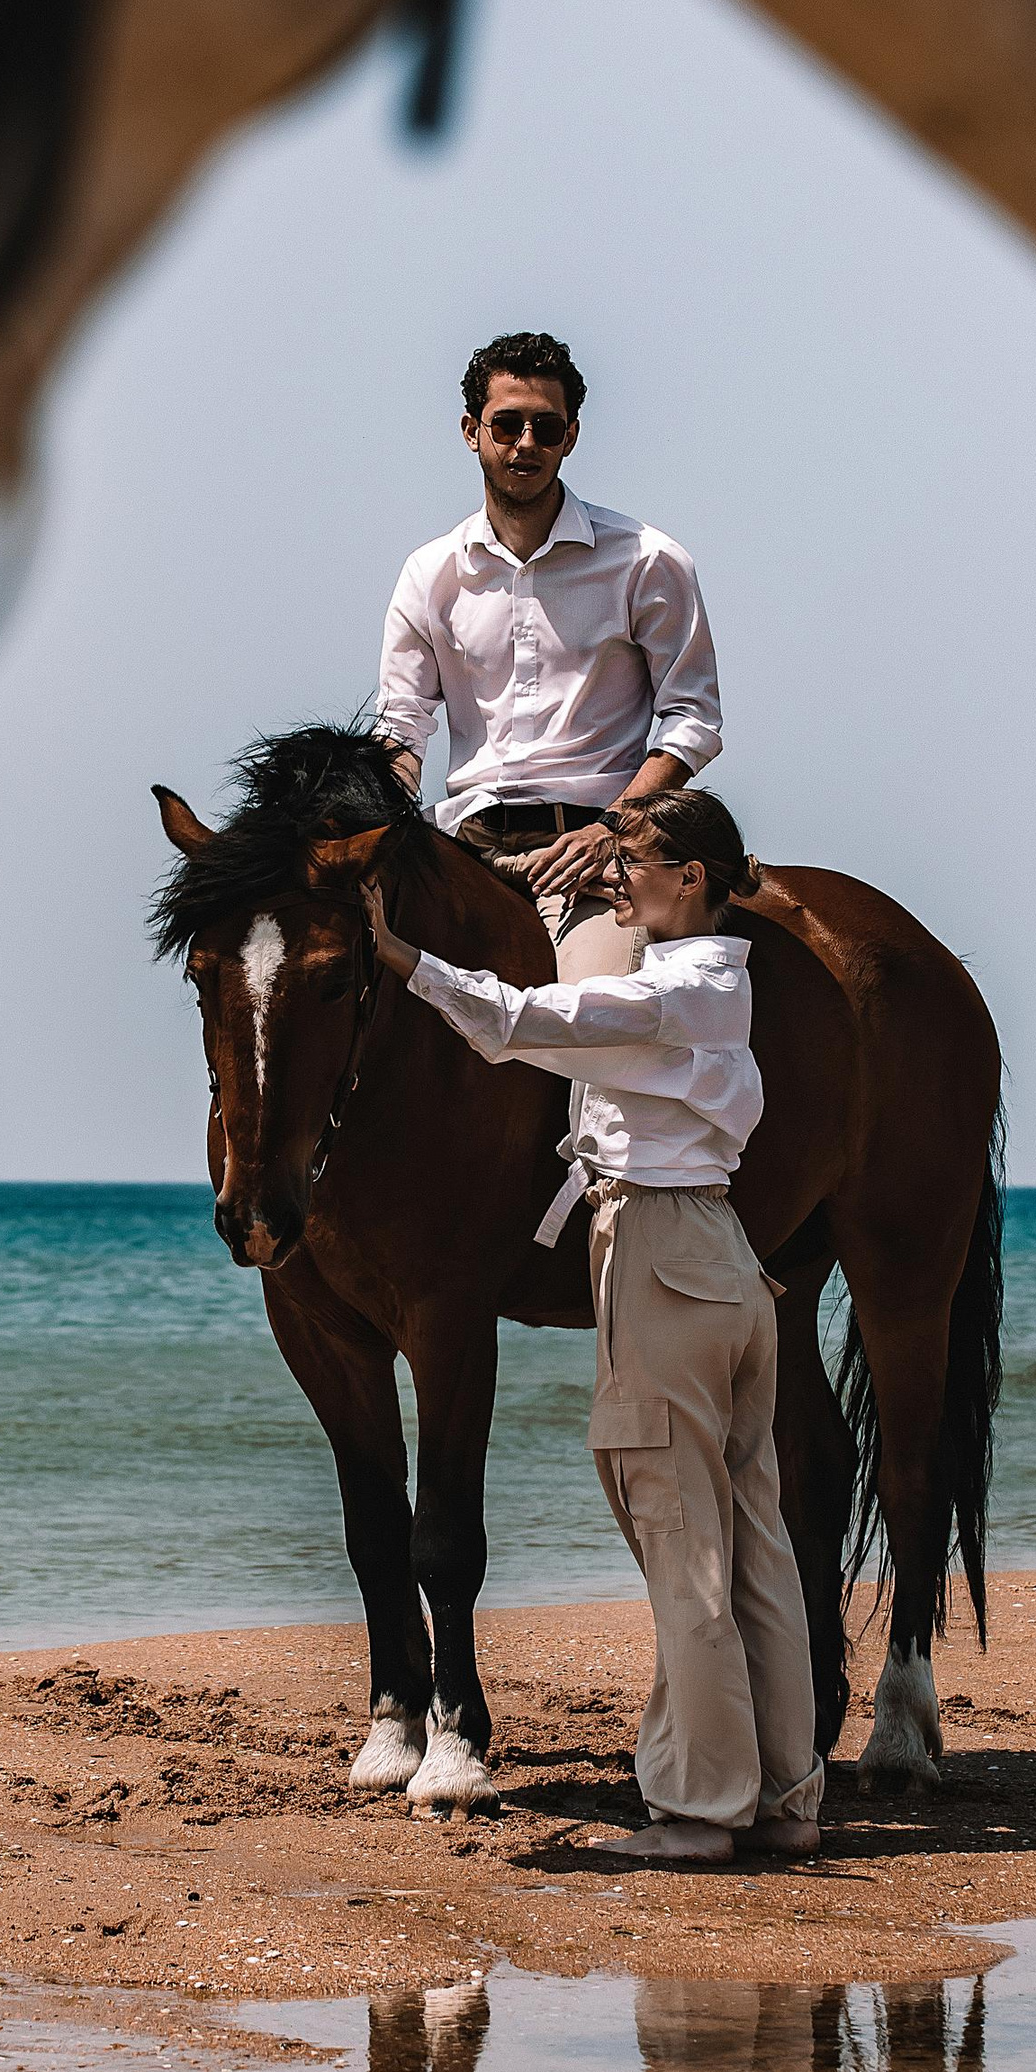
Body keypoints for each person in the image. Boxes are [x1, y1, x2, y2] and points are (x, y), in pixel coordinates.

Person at [360, 791, 823, 1867]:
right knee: (752, 1543)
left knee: (681, 1542)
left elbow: (519, 1021)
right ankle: (785, 1795)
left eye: (634, 863)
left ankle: (700, 1810)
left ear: (692, 878)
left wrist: (399, 957)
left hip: (660, 1254)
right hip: (717, 1257)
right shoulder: (714, 983)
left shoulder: (670, 992)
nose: (615, 879)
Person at [377, 330, 722, 978]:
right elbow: (401, 728)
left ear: (572, 436)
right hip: (462, 847)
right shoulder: (429, 573)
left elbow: (693, 720)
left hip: (596, 858)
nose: (526, 443)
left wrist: (611, 830)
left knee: (587, 1022)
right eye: (507, 424)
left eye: (547, 426)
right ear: (472, 430)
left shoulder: (647, 561)